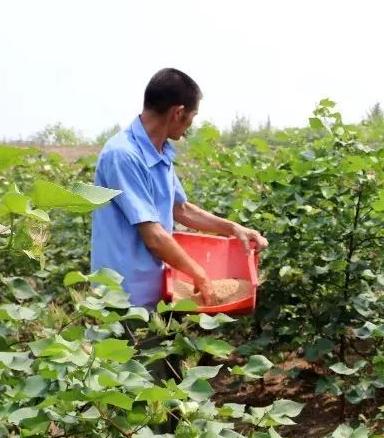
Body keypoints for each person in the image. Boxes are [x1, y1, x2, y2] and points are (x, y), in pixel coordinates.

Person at [90, 67, 267, 311]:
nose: (190, 126)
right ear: (178, 113)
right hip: (122, 297)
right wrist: (199, 274)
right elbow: (153, 235)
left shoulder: (160, 152)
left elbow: (181, 209)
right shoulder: (123, 155)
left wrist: (234, 229)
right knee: (127, 349)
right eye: (193, 116)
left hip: (159, 291)